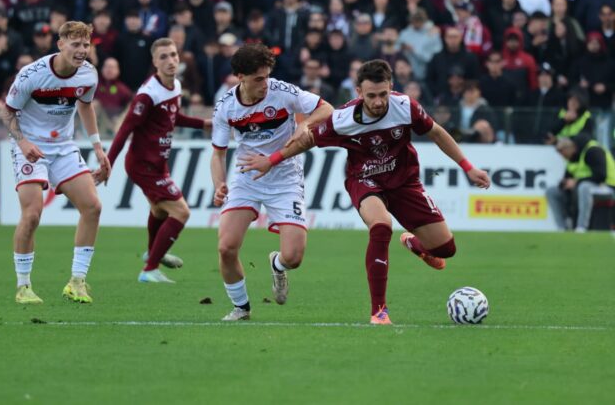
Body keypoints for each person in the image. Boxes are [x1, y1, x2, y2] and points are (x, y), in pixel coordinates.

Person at [239, 60, 490, 325]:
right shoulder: (343, 119)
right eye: (371, 96)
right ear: (359, 92)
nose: (378, 102)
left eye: (383, 94)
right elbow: (308, 140)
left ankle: (414, 243)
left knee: (446, 249)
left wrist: (468, 167)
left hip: (405, 182)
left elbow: (437, 133)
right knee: (381, 226)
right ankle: (379, 312)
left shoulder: (405, 106)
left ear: (391, 87)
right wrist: (272, 160)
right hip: (364, 180)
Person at [210, 43, 333, 321]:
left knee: (294, 257)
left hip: (285, 178)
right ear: (240, 77)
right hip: (247, 178)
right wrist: (219, 184)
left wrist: (304, 124)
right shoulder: (226, 107)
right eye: (258, 79)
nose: (265, 84)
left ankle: (277, 264)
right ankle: (241, 308)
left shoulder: (282, 92)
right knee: (226, 247)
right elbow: (217, 154)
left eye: (266, 76)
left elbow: (326, 109)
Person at [2, 21, 111, 305]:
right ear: (60, 44)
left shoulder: (88, 74)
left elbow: (85, 105)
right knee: (32, 215)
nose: (82, 50)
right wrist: (23, 143)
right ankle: (23, 286)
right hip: (29, 145)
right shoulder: (32, 74)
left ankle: (77, 282)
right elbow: (8, 112)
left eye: (86, 45)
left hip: (62, 146)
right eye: (75, 44)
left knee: (93, 206)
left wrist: (97, 147)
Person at [104, 38, 211, 283]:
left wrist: (202, 124)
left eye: (173, 55)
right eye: (163, 57)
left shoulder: (175, 86)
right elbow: (125, 130)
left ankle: (153, 253)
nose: (170, 60)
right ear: (154, 62)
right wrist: (107, 163)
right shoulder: (147, 95)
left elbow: (172, 118)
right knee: (181, 212)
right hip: (142, 165)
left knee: (159, 210)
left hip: (158, 163)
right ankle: (150, 268)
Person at [547, 135, 615, 232]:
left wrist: (576, 182)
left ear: (571, 147)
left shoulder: (593, 150)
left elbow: (601, 175)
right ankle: (562, 228)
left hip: (608, 187)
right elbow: (567, 178)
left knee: (584, 187)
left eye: (562, 151)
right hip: (589, 189)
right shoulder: (571, 158)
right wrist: (564, 184)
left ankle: (581, 227)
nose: (561, 155)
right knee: (552, 191)